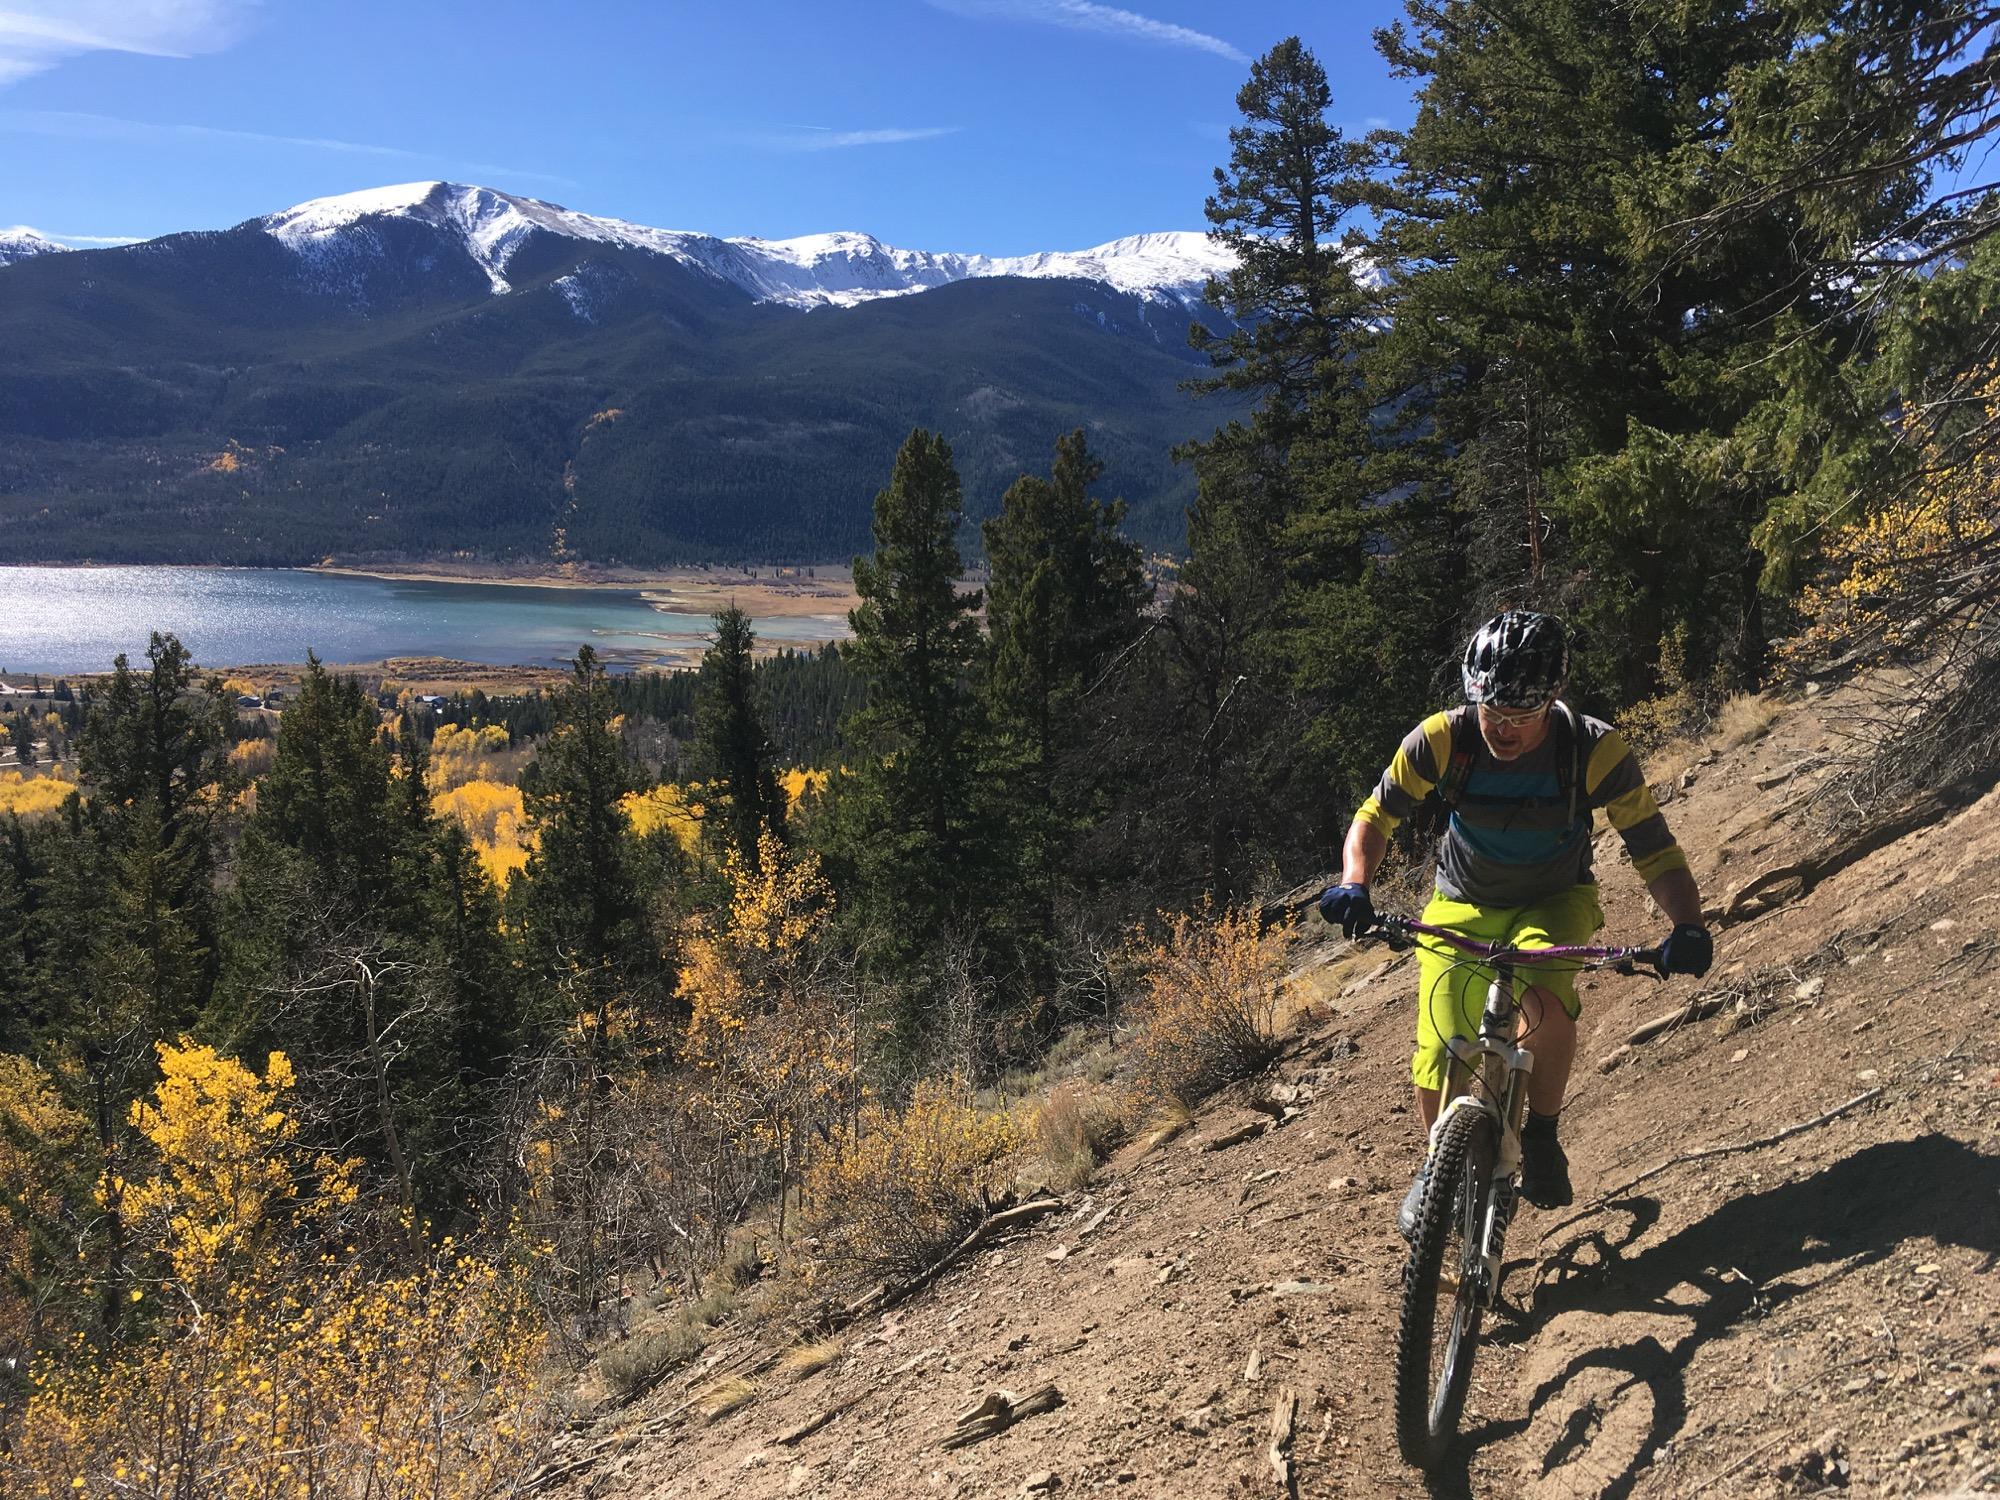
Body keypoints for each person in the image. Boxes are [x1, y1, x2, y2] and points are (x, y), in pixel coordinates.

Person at [1319, 610, 1712, 1235]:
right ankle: (1435, 1165)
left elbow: (1652, 845)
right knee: (1441, 1034)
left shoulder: (1594, 749)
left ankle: (1544, 1134)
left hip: (1556, 899)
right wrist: (1354, 884)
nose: (1502, 729)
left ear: (1551, 700)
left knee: (1545, 1003)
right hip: (1463, 897)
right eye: (1491, 712)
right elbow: (1375, 816)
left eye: (1520, 717)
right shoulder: (1442, 739)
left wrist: (1688, 924)